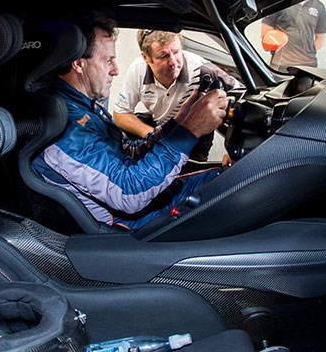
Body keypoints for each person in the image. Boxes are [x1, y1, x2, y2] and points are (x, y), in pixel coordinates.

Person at [32, 14, 228, 231]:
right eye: (108, 60)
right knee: (234, 188)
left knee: (228, 177)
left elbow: (128, 153)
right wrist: (188, 132)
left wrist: (180, 121)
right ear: (79, 64)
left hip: (146, 203)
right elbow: (129, 192)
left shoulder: (81, 106)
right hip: (133, 228)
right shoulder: (64, 125)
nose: (116, 70)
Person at [113, 30, 238, 162]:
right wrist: (154, 136)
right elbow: (120, 114)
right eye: (164, 56)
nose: (173, 62)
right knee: (115, 134)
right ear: (146, 58)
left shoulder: (204, 71)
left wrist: (233, 151)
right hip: (159, 126)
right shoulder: (138, 69)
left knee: (184, 176)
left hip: (194, 132)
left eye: (176, 52)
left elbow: (245, 101)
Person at [261, 0, 326, 71]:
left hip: (309, 65)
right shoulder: (280, 2)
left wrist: (306, 51)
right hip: (281, 64)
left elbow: (320, 39)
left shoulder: (319, 6)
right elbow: (266, 33)